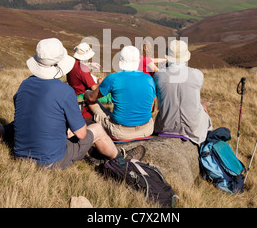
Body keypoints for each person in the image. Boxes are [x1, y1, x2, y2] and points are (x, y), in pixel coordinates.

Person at [13, 38, 145, 170]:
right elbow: (82, 134)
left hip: (21, 156)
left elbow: (20, 107)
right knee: (97, 129)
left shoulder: (24, 85)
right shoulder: (64, 91)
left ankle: (94, 155)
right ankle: (122, 160)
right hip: (50, 161)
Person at [85, 45, 156, 142]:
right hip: (147, 129)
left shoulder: (113, 78)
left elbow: (92, 98)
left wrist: (87, 93)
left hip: (120, 132)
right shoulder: (149, 79)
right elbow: (151, 107)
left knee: (90, 101)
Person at [153, 40, 212, 145]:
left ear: (168, 57)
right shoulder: (197, 74)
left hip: (165, 127)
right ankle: (206, 143)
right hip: (193, 130)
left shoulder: (158, 75)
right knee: (203, 105)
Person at [67, 42, 111, 122]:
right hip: (85, 100)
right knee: (105, 114)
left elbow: (78, 66)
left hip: (74, 96)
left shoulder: (70, 64)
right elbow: (94, 88)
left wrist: (90, 64)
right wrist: (100, 82)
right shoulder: (83, 70)